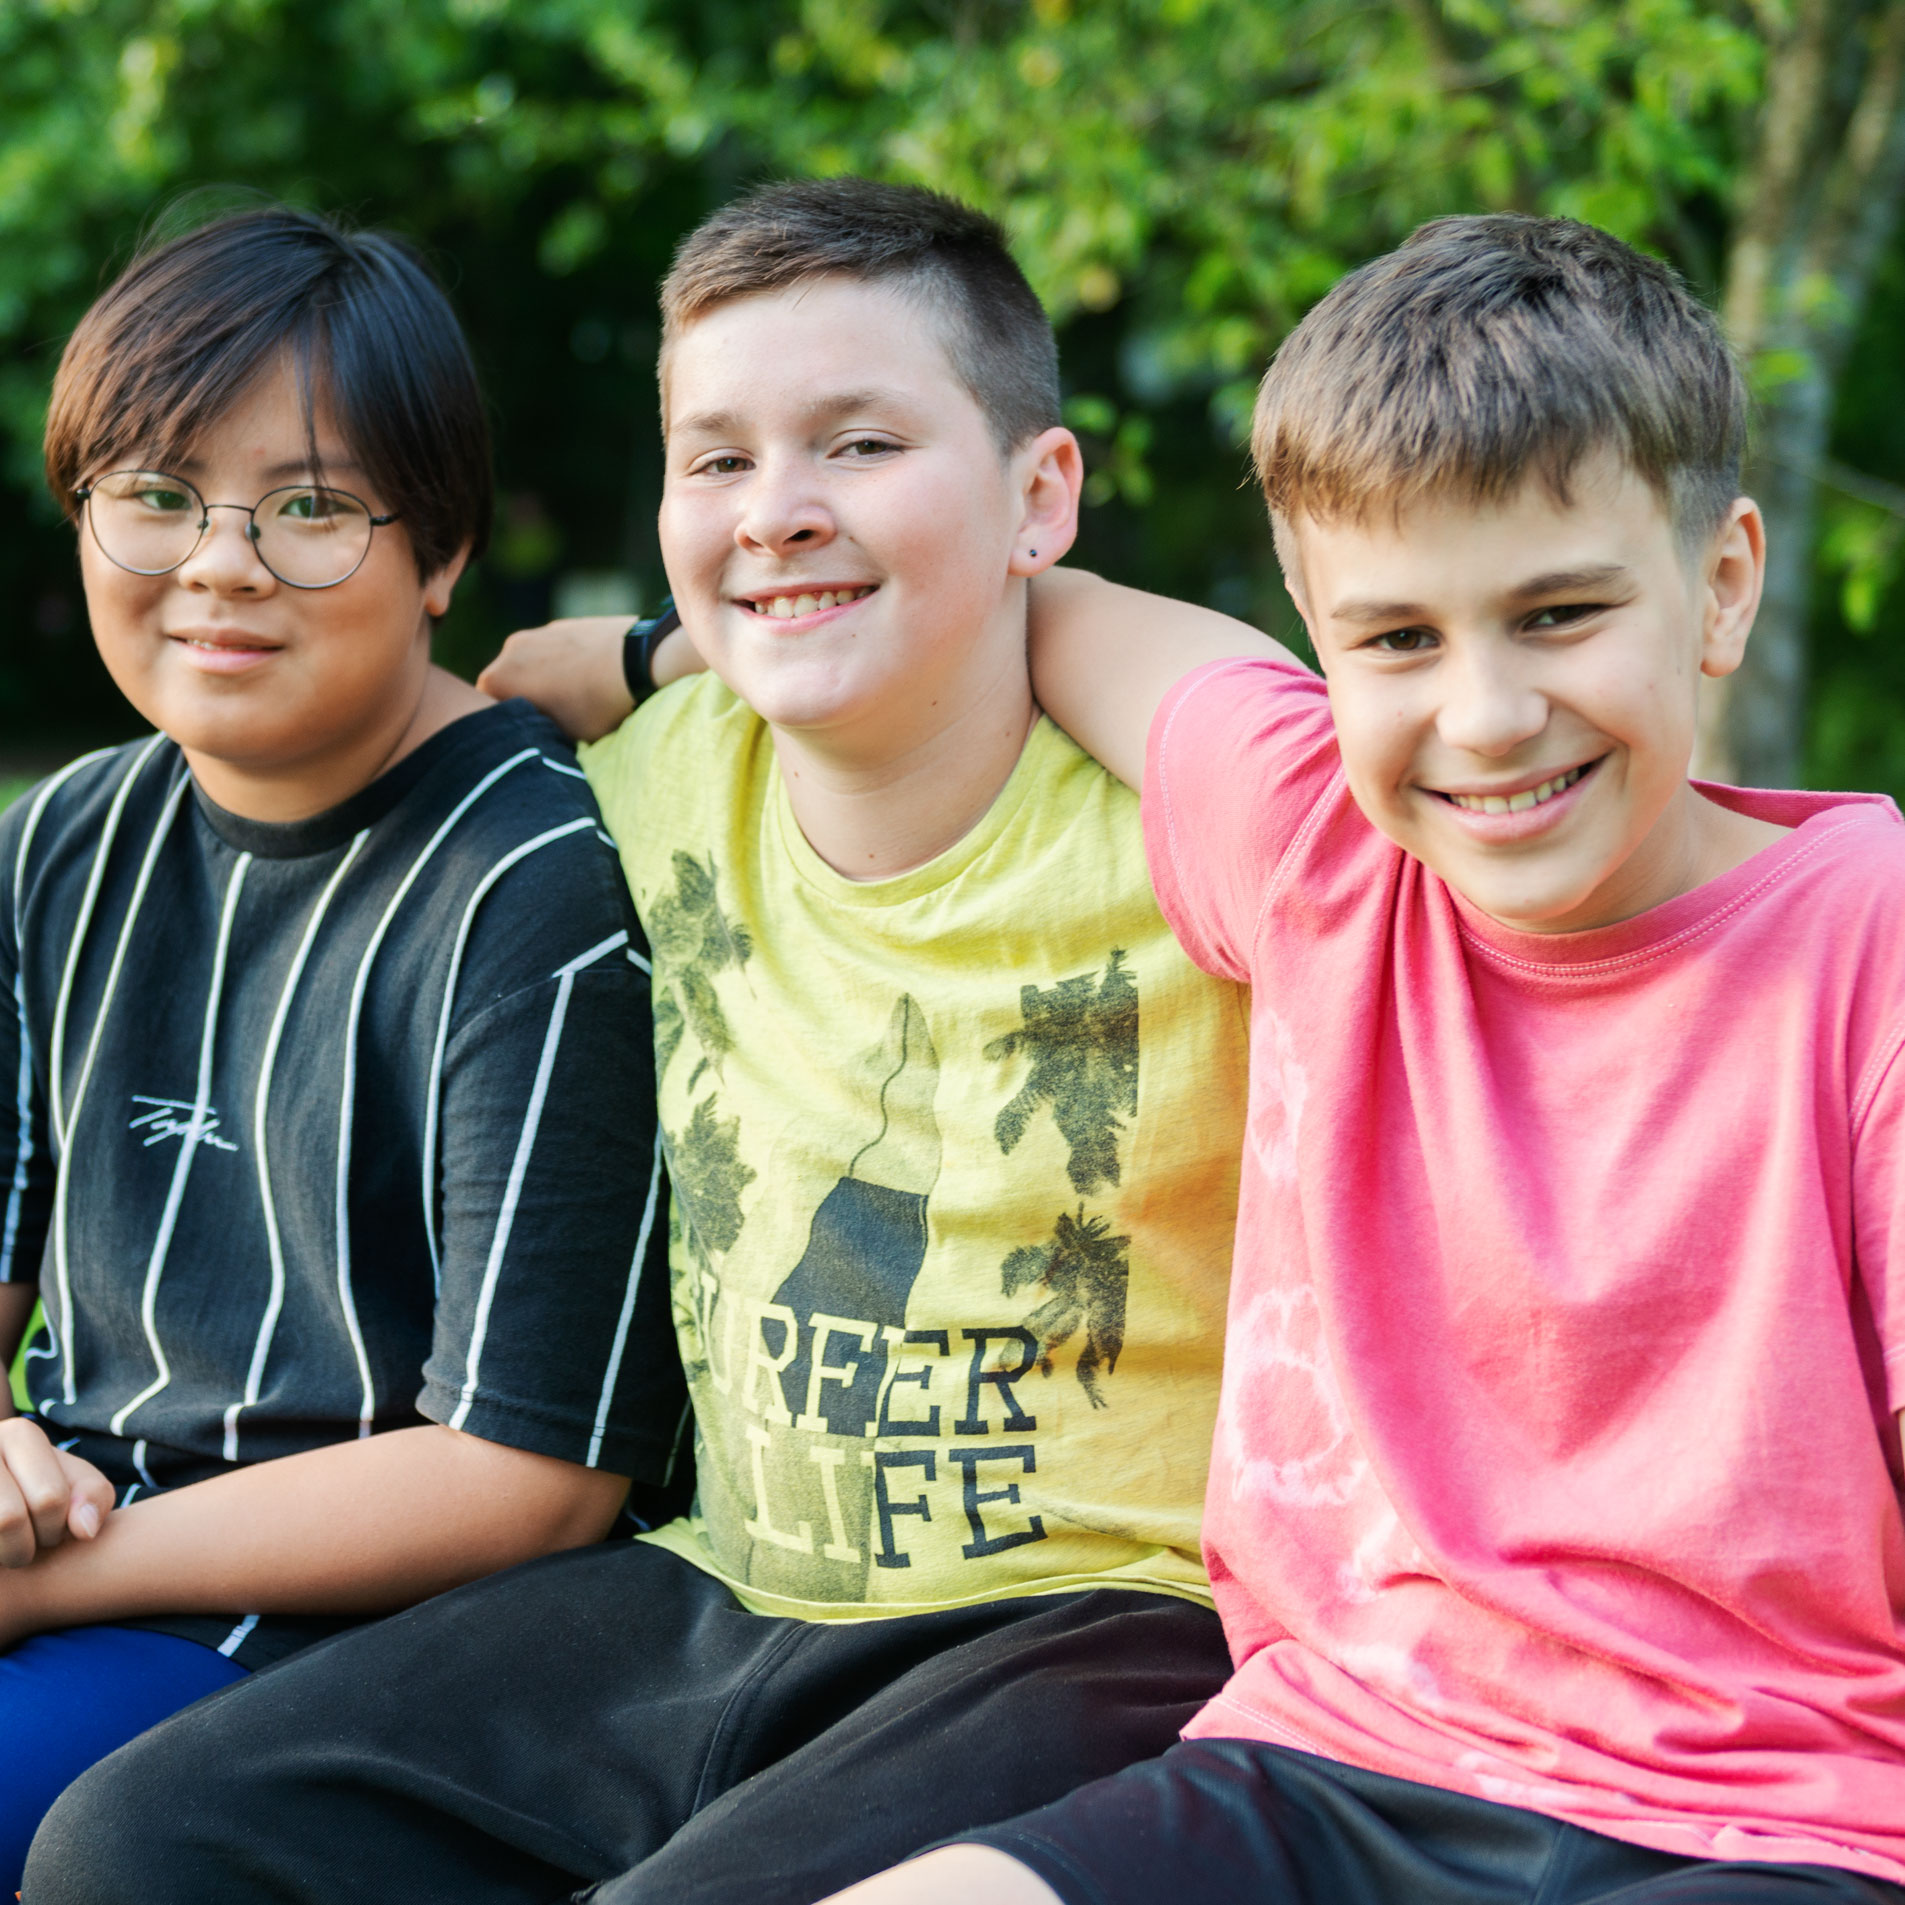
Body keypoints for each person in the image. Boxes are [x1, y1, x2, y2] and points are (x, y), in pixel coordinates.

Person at [26, 179, 1249, 1905]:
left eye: (860, 443)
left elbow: (1301, 737)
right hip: (720, 1582)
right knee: (140, 1847)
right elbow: (536, 686)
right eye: (719, 460)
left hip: (1097, 1608)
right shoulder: (646, 781)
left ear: (1040, 493)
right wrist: (659, 647)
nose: (778, 510)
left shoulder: (1199, 820)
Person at [820, 216, 1905, 1904]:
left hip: (1774, 1819)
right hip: (1328, 1768)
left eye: (1555, 614)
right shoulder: (1322, 852)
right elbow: (1064, 614)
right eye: (1394, 640)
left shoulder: (1869, 943)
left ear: (1721, 584)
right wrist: (648, 657)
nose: (1479, 715)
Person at [0, 204, 686, 1889]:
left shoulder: (531, 879)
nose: (221, 562)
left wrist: (53, 1574)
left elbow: (530, 1472)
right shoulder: (60, 840)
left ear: (441, 553)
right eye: (156, 496)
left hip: (383, 1646)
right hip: (94, 1548)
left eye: (308, 508)